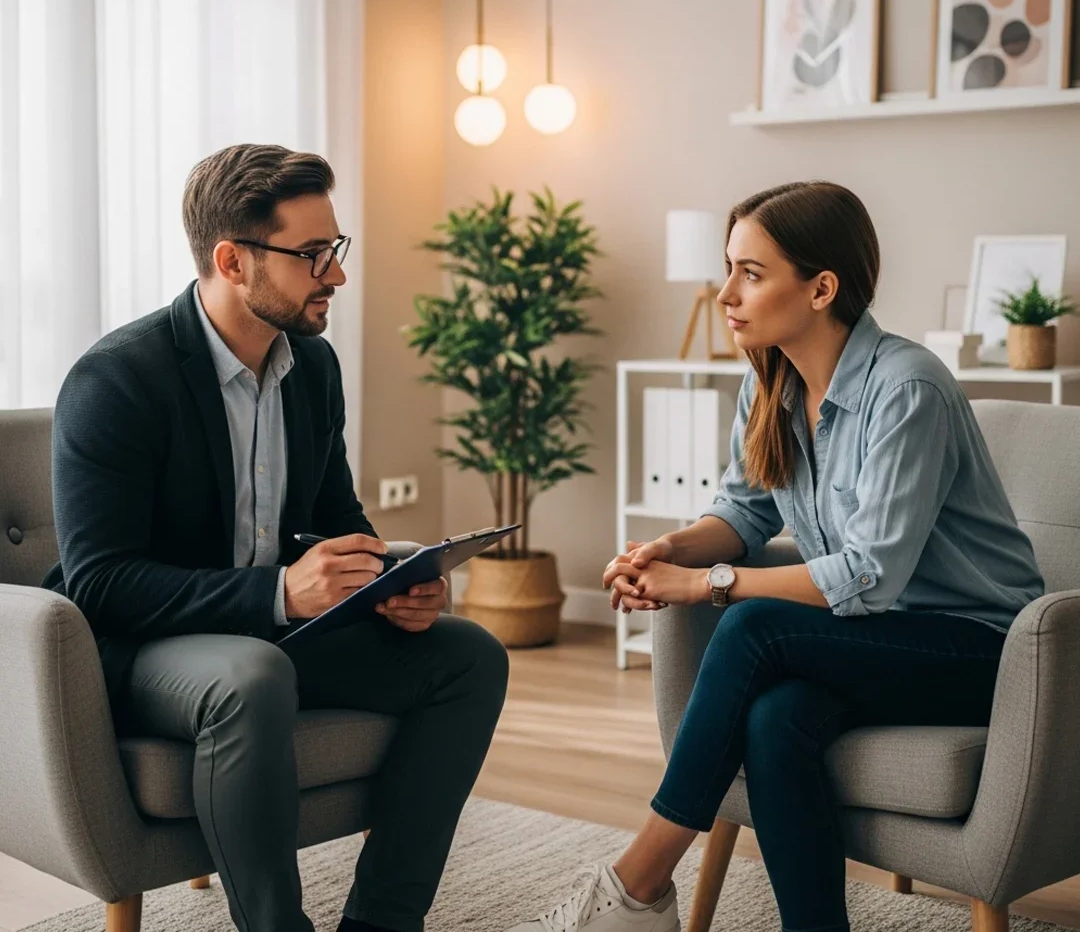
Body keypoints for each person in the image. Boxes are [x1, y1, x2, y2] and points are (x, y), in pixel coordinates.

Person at [505, 181, 1043, 932]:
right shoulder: (772, 383)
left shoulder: (906, 387)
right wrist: (666, 548)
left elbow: (870, 572)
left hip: (983, 651)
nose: (726, 293)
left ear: (821, 287)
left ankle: (638, 882)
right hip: (875, 641)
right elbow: (744, 512)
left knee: (754, 624)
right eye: (730, 268)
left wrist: (700, 585)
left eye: (751, 273)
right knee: (774, 719)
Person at [43, 143, 509, 932]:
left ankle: (383, 922)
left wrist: (395, 580)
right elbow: (100, 583)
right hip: (146, 644)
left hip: (277, 629)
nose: (337, 274)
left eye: (335, 249)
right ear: (232, 259)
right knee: (252, 675)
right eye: (312, 255)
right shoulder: (116, 380)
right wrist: (278, 591)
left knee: (469, 657)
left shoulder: (313, 369)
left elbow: (335, 516)